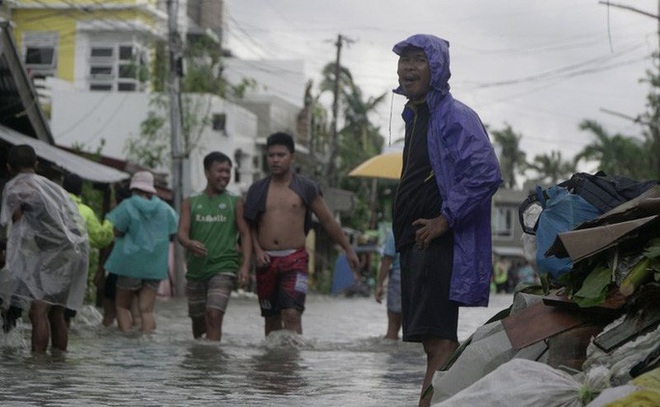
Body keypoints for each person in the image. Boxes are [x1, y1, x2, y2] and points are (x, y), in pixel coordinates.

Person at [391, 35, 502, 406]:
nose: (408, 67)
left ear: (436, 68)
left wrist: (443, 220)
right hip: (418, 242)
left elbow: (486, 172)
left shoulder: (453, 115)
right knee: (434, 341)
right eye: (404, 59)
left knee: (438, 342)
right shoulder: (418, 115)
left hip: (436, 241)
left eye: (418, 59)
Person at [244, 132, 360, 336]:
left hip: (295, 260)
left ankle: (292, 364)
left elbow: (327, 220)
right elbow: (249, 226)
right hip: (266, 262)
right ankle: (270, 366)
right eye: (271, 155)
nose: (275, 160)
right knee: (271, 318)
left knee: (292, 313)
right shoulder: (257, 189)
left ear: (292, 157)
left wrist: (348, 249)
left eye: (281, 155)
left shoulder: (305, 187)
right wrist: (257, 250)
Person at [0, 144, 89, 352]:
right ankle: (58, 364)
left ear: (8, 167)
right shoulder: (52, 186)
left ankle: (38, 368)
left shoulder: (15, 187)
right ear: (36, 164)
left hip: (55, 252)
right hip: (77, 249)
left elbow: (8, 223)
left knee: (37, 312)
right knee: (56, 313)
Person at [177, 151, 252, 341]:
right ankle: (200, 363)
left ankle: (213, 363)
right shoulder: (190, 202)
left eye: (228, 171)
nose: (225, 176)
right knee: (198, 322)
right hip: (196, 270)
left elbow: (245, 233)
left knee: (213, 314)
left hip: (224, 267)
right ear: (207, 172)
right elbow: (182, 232)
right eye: (220, 171)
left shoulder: (234, 202)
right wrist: (188, 243)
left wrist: (244, 266)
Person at [103, 171, 178, 333]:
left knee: (121, 306)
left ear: (133, 188)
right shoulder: (164, 209)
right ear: (151, 189)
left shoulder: (128, 205)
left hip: (130, 264)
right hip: (155, 266)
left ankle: (127, 342)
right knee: (147, 310)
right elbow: (172, 229)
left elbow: (117, 231)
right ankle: (147, 344)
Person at [61, 173, 115, 326]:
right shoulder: (85, 211)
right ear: (80, 191)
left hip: (53, 263)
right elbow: (101, 238)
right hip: (75, 265)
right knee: (66, 312)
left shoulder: (54, 206)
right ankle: (62, 347)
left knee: (48, 308)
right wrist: (110, 223)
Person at [374, 228, 402, 340]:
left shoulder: (395, 231)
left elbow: (387, 260)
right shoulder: (425, 227)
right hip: (420, 277)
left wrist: (379, 284)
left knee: (392, 329)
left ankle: (393, 356)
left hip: (398, 277)